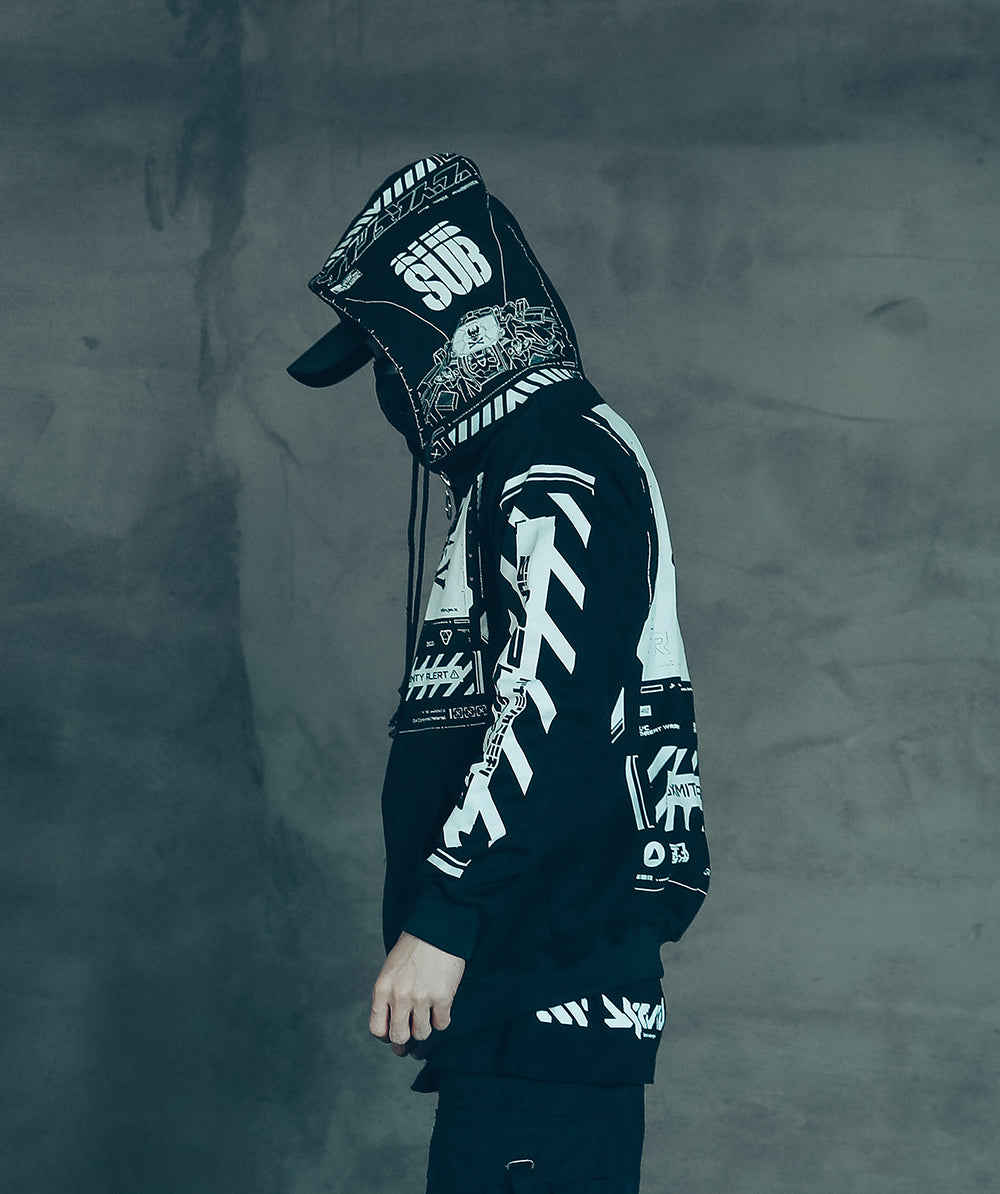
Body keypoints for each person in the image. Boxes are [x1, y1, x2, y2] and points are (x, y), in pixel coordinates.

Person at [287, 154, 709, 1194]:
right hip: (530, 991)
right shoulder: (538, 460)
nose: (388, 391)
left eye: (388, 358)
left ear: (447, 337)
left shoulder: (552, 466)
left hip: (544, 981)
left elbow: (546, 708)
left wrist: (446, 917)